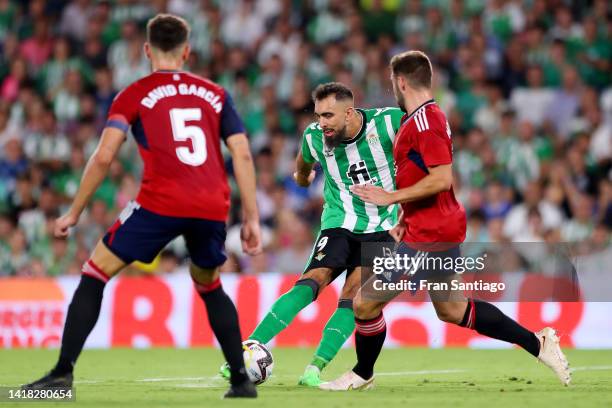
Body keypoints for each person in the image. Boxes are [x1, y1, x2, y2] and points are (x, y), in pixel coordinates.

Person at [23, 14, 262, 399]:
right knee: (209, 284)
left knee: (95, 272)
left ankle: (61, 375)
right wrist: (250, 218)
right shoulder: (216, 94)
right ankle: (240, 379)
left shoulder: (132, 94)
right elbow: (243, 154)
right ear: (187, 51)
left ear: (147, 50)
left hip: (159, 201)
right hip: (210, 204)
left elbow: (103, 156)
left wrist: (74, 212)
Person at [321, 51, 571, 391]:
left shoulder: (427, 121)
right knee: (453, 309)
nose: (392, 87)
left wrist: (390, 198)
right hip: (431, 225)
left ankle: (362, 373)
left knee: (365, 303)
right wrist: (404, 218)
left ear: (402, 81)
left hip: (431, 232)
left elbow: (441, 179)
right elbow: (421, 177)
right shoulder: (419, 119)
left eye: (393, 81)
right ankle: (539, 344)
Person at [221, 82, 405, 386]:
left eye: (328, 115)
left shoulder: (388, 122)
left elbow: (423, 134)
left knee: (353, 297)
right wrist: (303, 177)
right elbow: (303, 168)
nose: (321, 122)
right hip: (338, 222)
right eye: (318, 114)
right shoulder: (314, 137)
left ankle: (315, 369)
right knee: (311, 280)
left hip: (382, 228)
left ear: (349, 112)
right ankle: (248, 348)